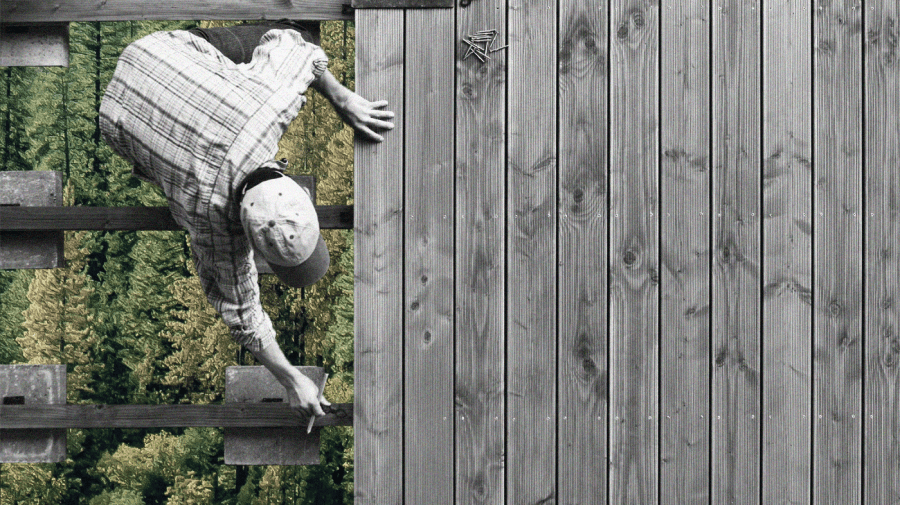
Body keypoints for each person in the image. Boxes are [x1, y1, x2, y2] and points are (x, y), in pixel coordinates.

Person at [99, 21, 394, 423]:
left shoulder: (268, 106)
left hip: (152, 53)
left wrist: (343, 100)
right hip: (114, 117)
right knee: (170, 180)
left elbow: (295, 44)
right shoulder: (210, 226)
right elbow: (242, 314)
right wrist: (292, 379)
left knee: (291, 29)